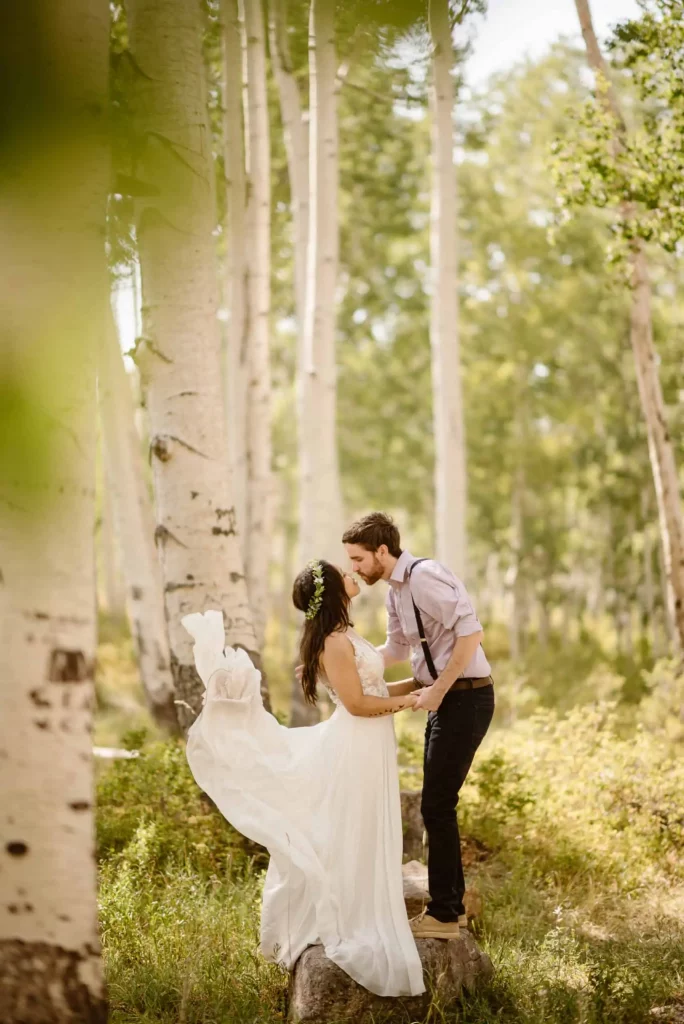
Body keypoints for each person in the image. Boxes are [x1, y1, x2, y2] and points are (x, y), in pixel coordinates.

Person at [181, 560, 425, 998]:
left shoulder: (344, 634)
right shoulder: (333, 641)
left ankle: (359, 900)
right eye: (344, 572)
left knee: (360, 827)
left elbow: (376, 691)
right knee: (347, 829)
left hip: (371, 745)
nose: (353, 574)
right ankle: (345, 913)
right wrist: (412, 705)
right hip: (356, 744)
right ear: (334, 590)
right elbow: (356, 704)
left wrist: (421, 685)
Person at [342, 512, 495, 941]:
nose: (354, 567)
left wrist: (438, 691)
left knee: (437, 805)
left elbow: (471, 635)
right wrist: (340, 657)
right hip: (447, 700)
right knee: (437, 804)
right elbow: (394, 647)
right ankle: (452, 909)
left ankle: (444, 914)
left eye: (358, 559)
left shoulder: (425, 578)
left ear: (382, 551)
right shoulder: (395, 591)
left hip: (465, 697)